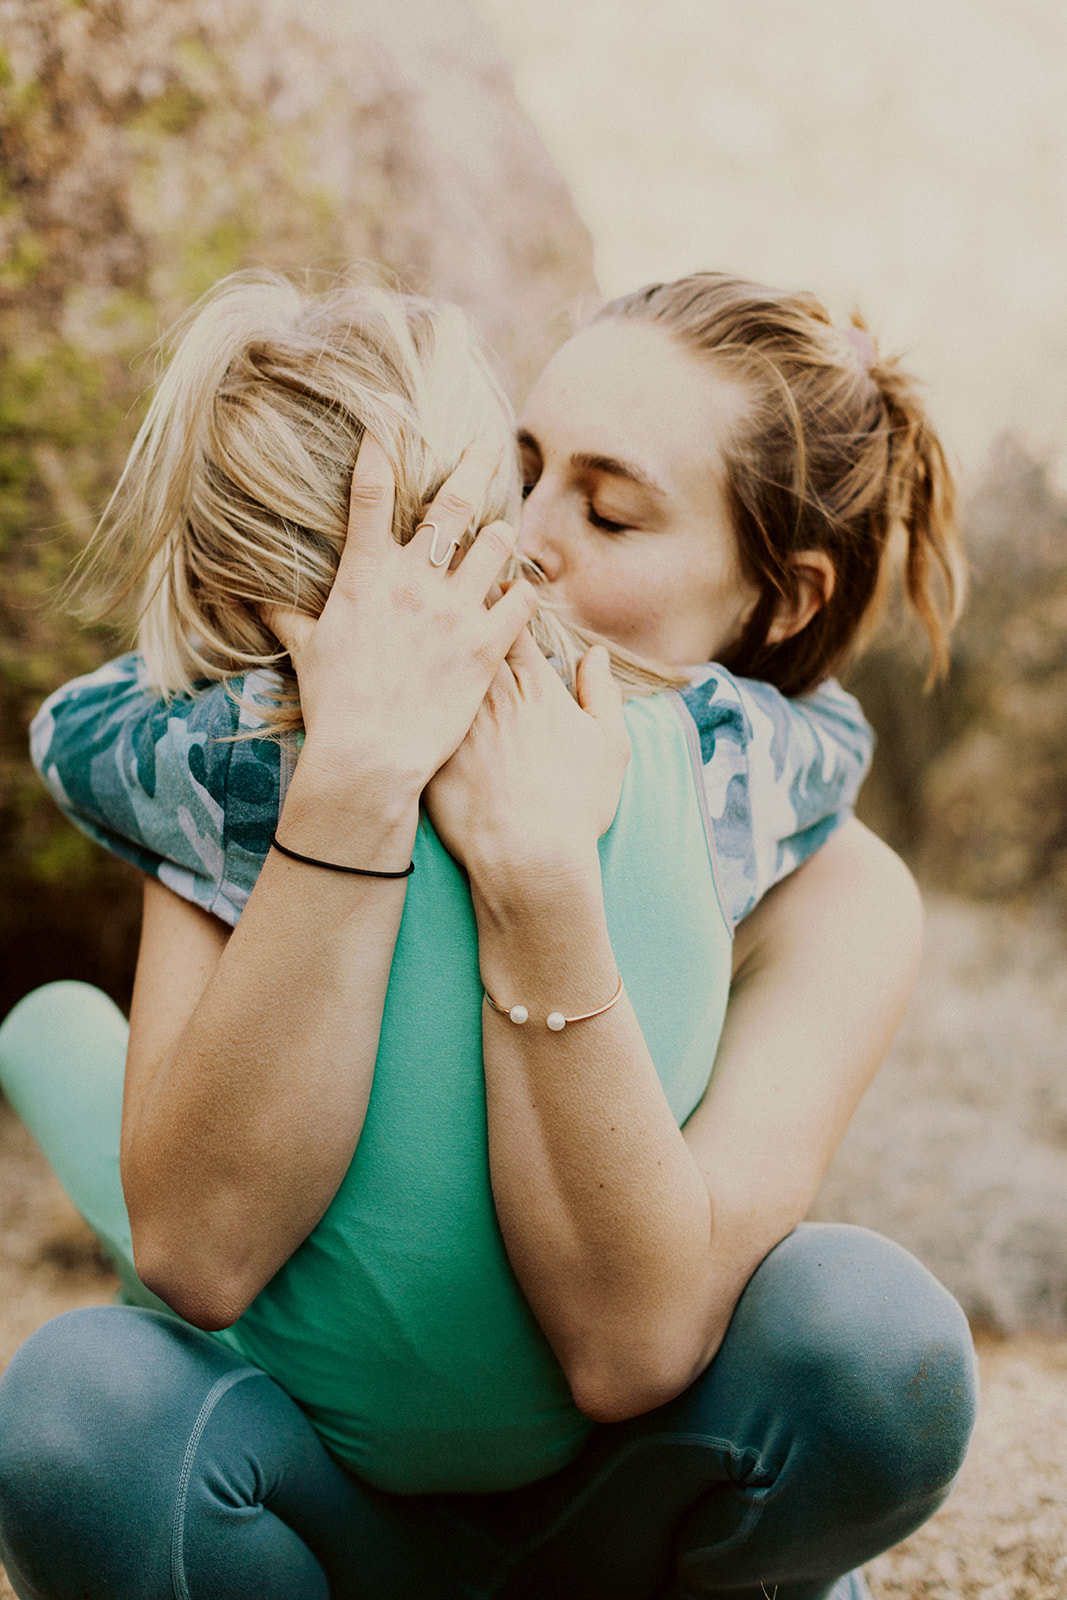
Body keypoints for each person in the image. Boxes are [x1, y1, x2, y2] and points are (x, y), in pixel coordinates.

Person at [0, 272, 974, 1600]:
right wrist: (349, 791)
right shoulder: (246, 777)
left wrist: (541, 885)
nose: (523, 536)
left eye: (610, 509)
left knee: (871, 1347)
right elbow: (197, 1250)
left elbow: (635, 1345)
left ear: (782, 598)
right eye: (517, 470)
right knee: (79, 1415)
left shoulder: (836, 897)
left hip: (623, 1517)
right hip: (309, 1505)